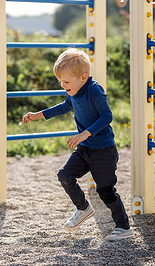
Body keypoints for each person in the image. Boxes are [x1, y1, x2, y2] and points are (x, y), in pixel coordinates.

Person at [22, 48, 133, 241]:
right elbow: (64, 107)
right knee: (64, 175)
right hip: (84, 150)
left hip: (103, 151)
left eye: (66, 82)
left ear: (83, 77)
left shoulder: (94, 90)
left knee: (105, 190)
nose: (63, 85)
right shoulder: (75, 91)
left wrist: (84, 134)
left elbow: (107, 116)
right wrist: (38, 115)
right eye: (61, 82)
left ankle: (124, 227)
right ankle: (83, 208)